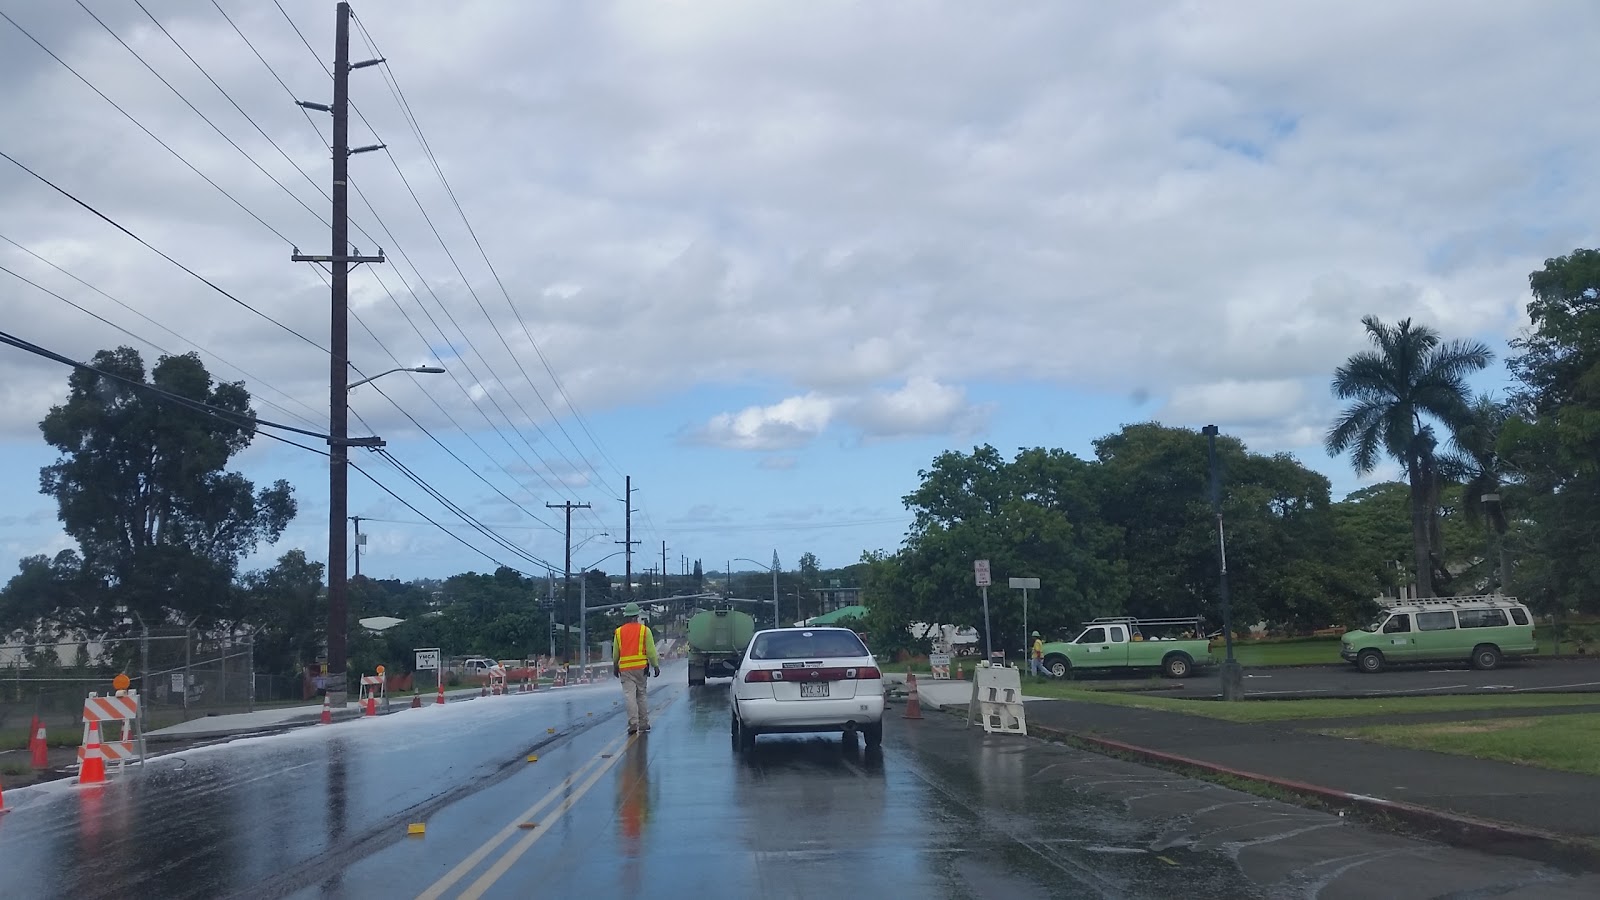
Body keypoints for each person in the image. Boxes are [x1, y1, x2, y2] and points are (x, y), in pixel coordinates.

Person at [613, 602, 660, 734]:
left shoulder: (619, 632)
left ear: (626, 616)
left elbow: (616, 653)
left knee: (630, 696)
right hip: (641, 668)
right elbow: (651, 651)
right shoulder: (645, 630)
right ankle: (644, 723)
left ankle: (633, 723)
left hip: (625, 669)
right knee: (641, 695)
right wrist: (655, 665)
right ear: (637, 616)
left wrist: (615, 666)